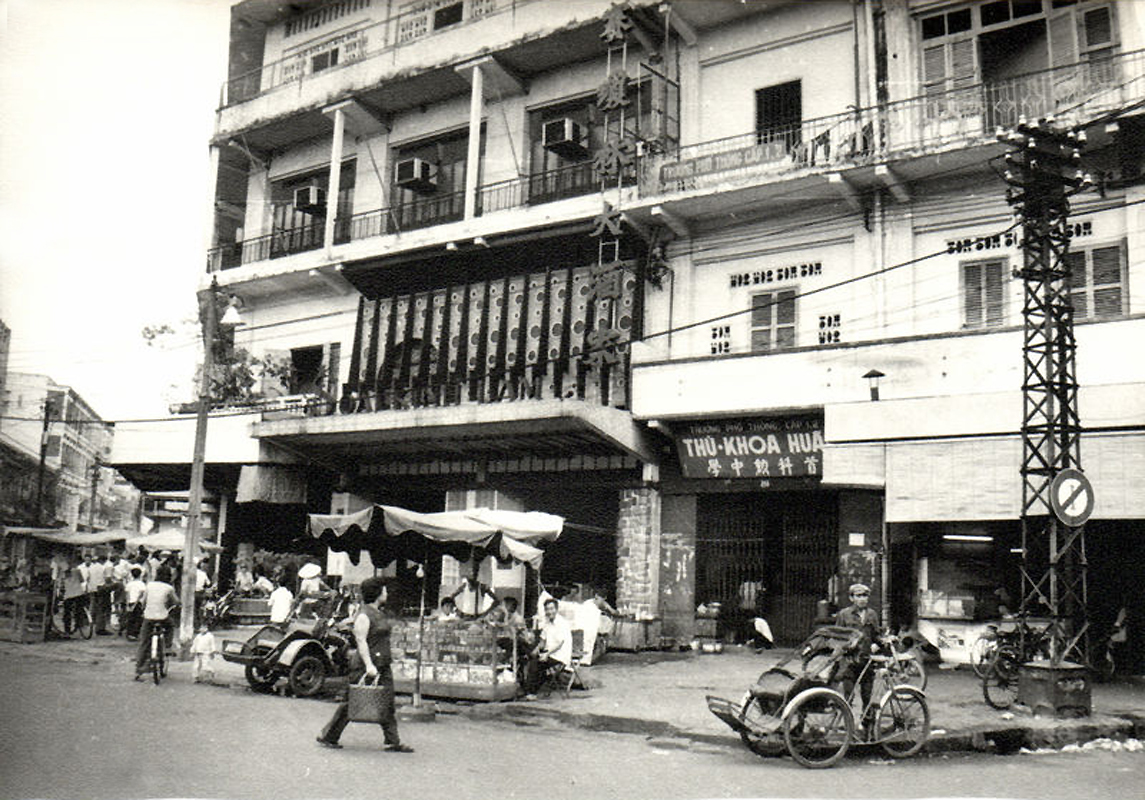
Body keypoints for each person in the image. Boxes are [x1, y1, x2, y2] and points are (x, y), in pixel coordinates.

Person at [317, 577, 413, 752]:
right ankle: (329, 735)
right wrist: (369, 665)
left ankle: (393, 741)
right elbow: (361, 641)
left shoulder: (379, 613)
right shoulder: (364, 615)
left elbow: (380, 638)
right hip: (366, 665)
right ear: (377, 593)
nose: (387, 593)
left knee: (388, 701)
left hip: (382, 664)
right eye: (384, 590)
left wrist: (394, 653)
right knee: (352, 701)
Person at [834, 583, 882, 721]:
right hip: (849, 662)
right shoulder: (844, 614)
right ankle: (848, 727)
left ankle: (868, 728)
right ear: (851, 598)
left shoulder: (872, 614)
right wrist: (847, 646)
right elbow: (837, 637)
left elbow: (875, 635)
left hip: (866, 661)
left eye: (865, 596)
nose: (862, 599)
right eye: (858, 596)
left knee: (867, 697)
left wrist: (879, 643)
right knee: (848, 696)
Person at [135, 566, 179, 680]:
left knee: (144, 642)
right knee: (170, 626)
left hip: (148, 616)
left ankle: (139, 669)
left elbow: (143, 601)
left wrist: (145, 609)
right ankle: (168, 647)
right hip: (162, 617)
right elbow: (176, 601)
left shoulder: (149, 585)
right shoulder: (169, 588)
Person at [525, 597, 572, 694]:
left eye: (551, 609)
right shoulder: (547, 622)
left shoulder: (561, 623)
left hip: (560, 655)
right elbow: (543, 640)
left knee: (536, 664)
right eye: (547, 609)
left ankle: (532, 692)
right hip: (549, 653)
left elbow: (559, 644)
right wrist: (537, 649)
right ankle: (526, 688)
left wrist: (546, 654)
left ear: (556, 609)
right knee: (528, 656)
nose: (549, 612)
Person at [62, 563, 87, 636]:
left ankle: (67, 630)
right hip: (79, 593)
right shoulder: (77, 571)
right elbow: (82, 580)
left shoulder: (62, 574)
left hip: (68, 595)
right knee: (79, 610)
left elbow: (60, 584)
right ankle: (78, 625)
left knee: (67, 612)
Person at [123, 566, 147, 640]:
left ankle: (129, 633)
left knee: (130, 618)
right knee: (138, 619)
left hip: (130, 602)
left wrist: (127, 604)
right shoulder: (142, 584)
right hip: (138, 603)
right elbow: (141, 594)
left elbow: (127, 594)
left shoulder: (129, 584)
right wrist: (137, 603)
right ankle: (134, 634)